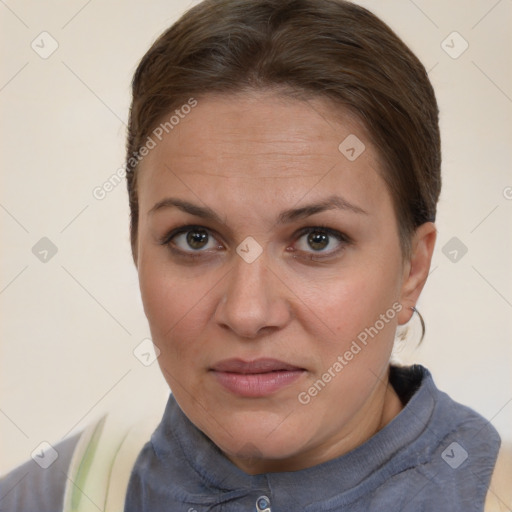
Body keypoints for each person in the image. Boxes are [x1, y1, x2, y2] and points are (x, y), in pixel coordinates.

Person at [0, 0, 503, 510]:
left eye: (317, 240)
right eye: (195, 238)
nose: (247, 313)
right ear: (136, 249)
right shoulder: (52, 495)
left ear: (411, 271)